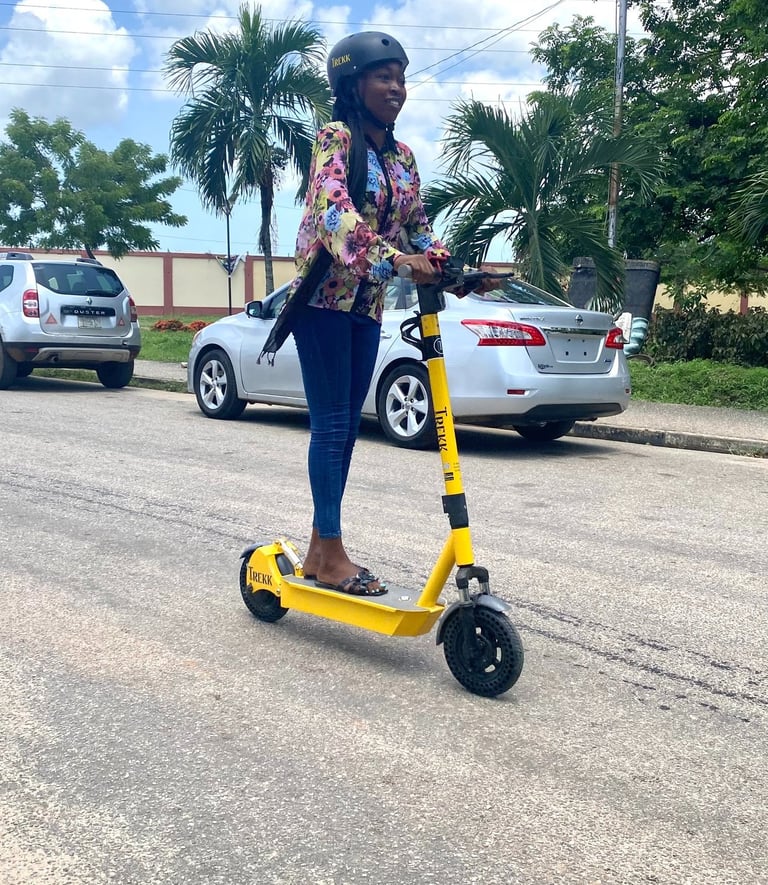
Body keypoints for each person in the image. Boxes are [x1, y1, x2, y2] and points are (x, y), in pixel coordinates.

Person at [260, 31, 450, 597]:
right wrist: (399, 262)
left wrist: (443, 263)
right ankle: (334, 551)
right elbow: (334, 217)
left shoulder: (403, 158)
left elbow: (418, 226)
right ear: (353, 83)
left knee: (347, 433)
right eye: (383, 76)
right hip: (321, 302)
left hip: (366, 305)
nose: (396, 87)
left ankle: (320, 550)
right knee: (334, 425)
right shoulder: (335, 140)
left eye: (401, 77)